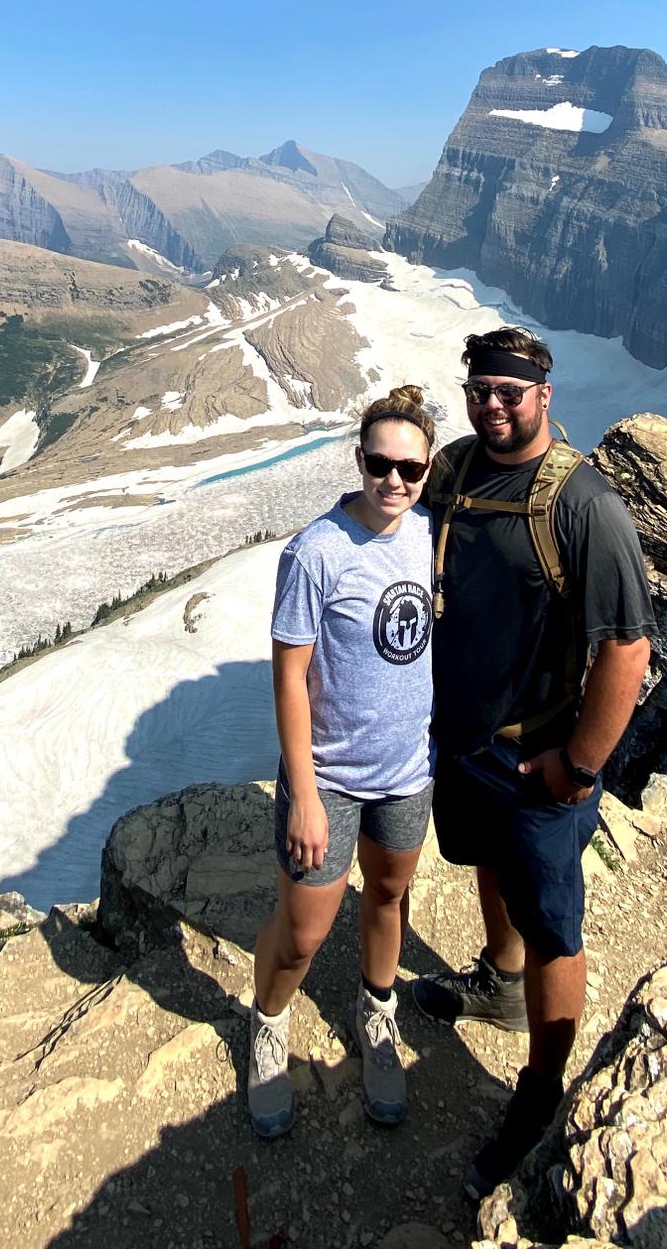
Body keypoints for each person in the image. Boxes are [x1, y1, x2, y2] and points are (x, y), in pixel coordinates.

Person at [411, 326, 655, 1197]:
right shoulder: (456, 471)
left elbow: (627, 651)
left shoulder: (586, 506)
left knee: (553, 919)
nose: (493, 405)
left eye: (510, 392)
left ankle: (540, 1093)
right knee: (486, 864)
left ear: (543, 395)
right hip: (466, 744)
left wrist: (576, 769)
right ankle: (501, 984)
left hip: (535, 761)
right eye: (481, 390)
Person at [248, 385, 437, 1138]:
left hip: (407, 773)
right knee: (301, 932)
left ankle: (377, 1009)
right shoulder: (316, 552)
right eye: (380, 464)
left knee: (387, 899)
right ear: (358, 461)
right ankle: (267, 1022)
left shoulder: (429, 535)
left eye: (411, 469)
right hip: (331, 778)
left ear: (427, 472)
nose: (395, 480)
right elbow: (288, 674)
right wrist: (303, 795)